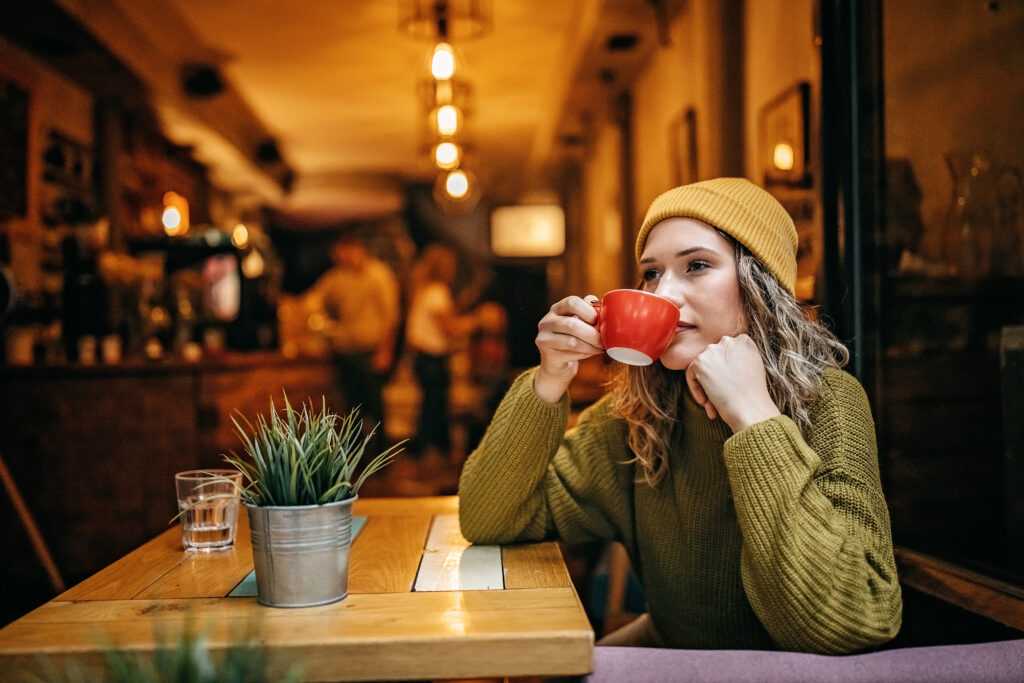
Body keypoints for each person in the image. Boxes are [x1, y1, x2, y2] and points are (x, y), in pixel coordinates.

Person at [458, 178, 902, 653]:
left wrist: (753, 418)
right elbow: (489, 519)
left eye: (696, 266)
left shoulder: (829, 400)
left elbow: (853, 619)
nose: (663, 293)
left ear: (760, 285)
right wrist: (549, 379)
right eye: (651, 273)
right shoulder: (638, 415)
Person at [307, 235, 400, 452]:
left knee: (375, 406)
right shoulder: (336, 278)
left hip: (370, 350)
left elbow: (391, 317)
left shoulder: (379, 275)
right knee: (351, 407)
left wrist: (385, 351)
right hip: (346, 351)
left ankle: (380, 453)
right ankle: (357, 454)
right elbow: (313, 301)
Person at [405, 243, 475, 469]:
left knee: (431, 405)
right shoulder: (437, 292)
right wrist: (477, 321)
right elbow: (449, 328)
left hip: (422, 358)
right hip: (431, 359)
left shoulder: (424, 290)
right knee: (434, 407)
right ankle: (429, 455)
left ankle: (429, 452)